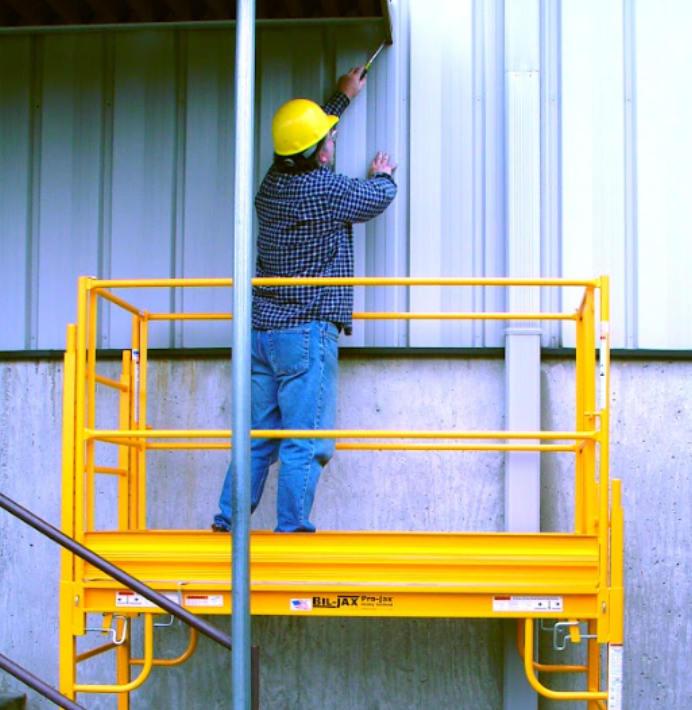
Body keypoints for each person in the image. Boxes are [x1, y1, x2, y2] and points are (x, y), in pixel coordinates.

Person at [212, 66, 397, 533]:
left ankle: (228, 520)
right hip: (305, 332)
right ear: (318, 155)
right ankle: (291, 529)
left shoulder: (272, 182)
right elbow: (371, 199)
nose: (332, 145)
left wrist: (341, 98)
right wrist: (384, 177)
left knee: (256, 437)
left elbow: (307, 138)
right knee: (304, 439)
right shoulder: (326, 189)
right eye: (327, 142)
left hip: (261, 331)